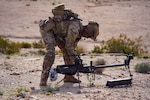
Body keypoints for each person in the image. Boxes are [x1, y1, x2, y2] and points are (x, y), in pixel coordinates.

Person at [39, 5, 99, 86]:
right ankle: (43, 79)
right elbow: (69, 46)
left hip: (59, 34)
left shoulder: (79, 33)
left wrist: (76, 61)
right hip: (48, 30)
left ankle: (69, 77)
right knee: (50, 52)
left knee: (67, 52)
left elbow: (70, 50)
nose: (86, 37)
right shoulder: (75, 29)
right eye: (88, 36)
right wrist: (77, 60)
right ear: (87, 32)